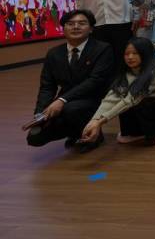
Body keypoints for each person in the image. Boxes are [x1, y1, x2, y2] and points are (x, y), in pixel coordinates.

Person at [27, 9, 115, 152]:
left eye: (82, 23)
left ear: (91, 29)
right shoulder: (54, 53)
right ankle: (76, 132)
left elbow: (95, 81)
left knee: (71, 110)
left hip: (94, 98)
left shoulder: (102, 49)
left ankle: (93, 136)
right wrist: (39, 115)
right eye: (70, 23)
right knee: (34, 138)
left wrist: (62, 100)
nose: (76, 27)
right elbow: (47, 86)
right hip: (67, 102)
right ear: (64, 28)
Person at [80, 37, 155, 147]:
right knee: (124, 99)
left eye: (135, 53)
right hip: (139, 101)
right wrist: (94, 121)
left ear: (145, 53)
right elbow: (111, 97)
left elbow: (133, 98)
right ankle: (134, 132)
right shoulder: (127, 71)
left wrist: (100, 122)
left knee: (143, 101)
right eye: (126, 54)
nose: (130, 57)